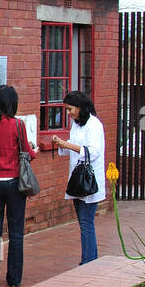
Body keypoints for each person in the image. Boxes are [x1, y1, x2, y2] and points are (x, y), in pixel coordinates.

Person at [0, 84, 35, 287]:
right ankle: (13, 278)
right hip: (14, 183)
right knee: (16, 231)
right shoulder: (18, 125)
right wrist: (34, 150)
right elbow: (28, 152)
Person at [53, 90, 105, 265]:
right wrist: (61, 144)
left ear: (80, 107)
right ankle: (91, 259)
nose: (68, 114)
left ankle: (88, 262)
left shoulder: (94, 125)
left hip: (89, 180)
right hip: (77, 180)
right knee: (84, 222)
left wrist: (67, 144)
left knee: (86, 222)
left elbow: (93, 151)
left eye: (70, 109)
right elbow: (73, 147)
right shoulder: (77, 124)